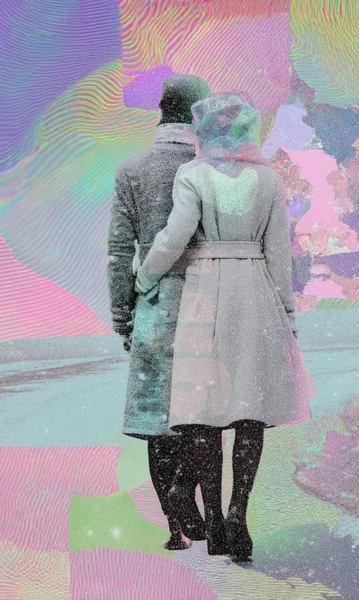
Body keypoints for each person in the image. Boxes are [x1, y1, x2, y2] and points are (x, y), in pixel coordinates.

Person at [135, 92, 316, 561]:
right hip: (255, 293)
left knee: (205, 412)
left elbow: (175, 236)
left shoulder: (193, 175)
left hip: (205, 292)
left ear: (204, 131)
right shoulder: (269, 179)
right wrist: (287, 315)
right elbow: (279, 255)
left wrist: (146, 275)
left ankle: (213, 520)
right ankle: (240, 514)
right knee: (249, 412)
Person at [107, 74, 211, 550]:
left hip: (153, 303)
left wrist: (122, 315)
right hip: (207, 299)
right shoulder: (210, 167)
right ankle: (195, 503)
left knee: (157, 423)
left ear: (161, 112)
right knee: (202, 414)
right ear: (199, 115)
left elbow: (118, 251)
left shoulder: (132, 169)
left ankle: (174, 527)